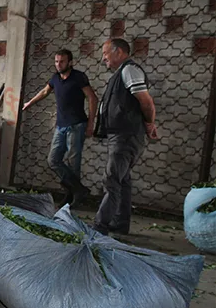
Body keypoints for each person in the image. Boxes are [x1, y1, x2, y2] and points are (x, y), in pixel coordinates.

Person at [92, 38, 158, 235]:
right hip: (120, 134)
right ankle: (121, 223)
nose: (103, 58)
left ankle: (99, 227)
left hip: (126, 135)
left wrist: (149, 123)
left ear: (119, 52)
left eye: (106, 53)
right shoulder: (120, 74)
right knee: (122, 180)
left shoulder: (129, 70)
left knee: (111, 180)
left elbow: (146, 102)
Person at [22, 49, 98, 206]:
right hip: (61, 126)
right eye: (56, 61)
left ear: (70, 62)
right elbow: (45, 91)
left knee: (73, 162)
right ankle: (78, 190)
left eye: (62, 61)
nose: (58, 64)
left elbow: (92, 98)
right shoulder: (55, 78)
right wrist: (29, 103)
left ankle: (72, 197)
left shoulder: (78, 77)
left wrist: (91, 123)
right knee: (53, 160)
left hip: (77, 125)